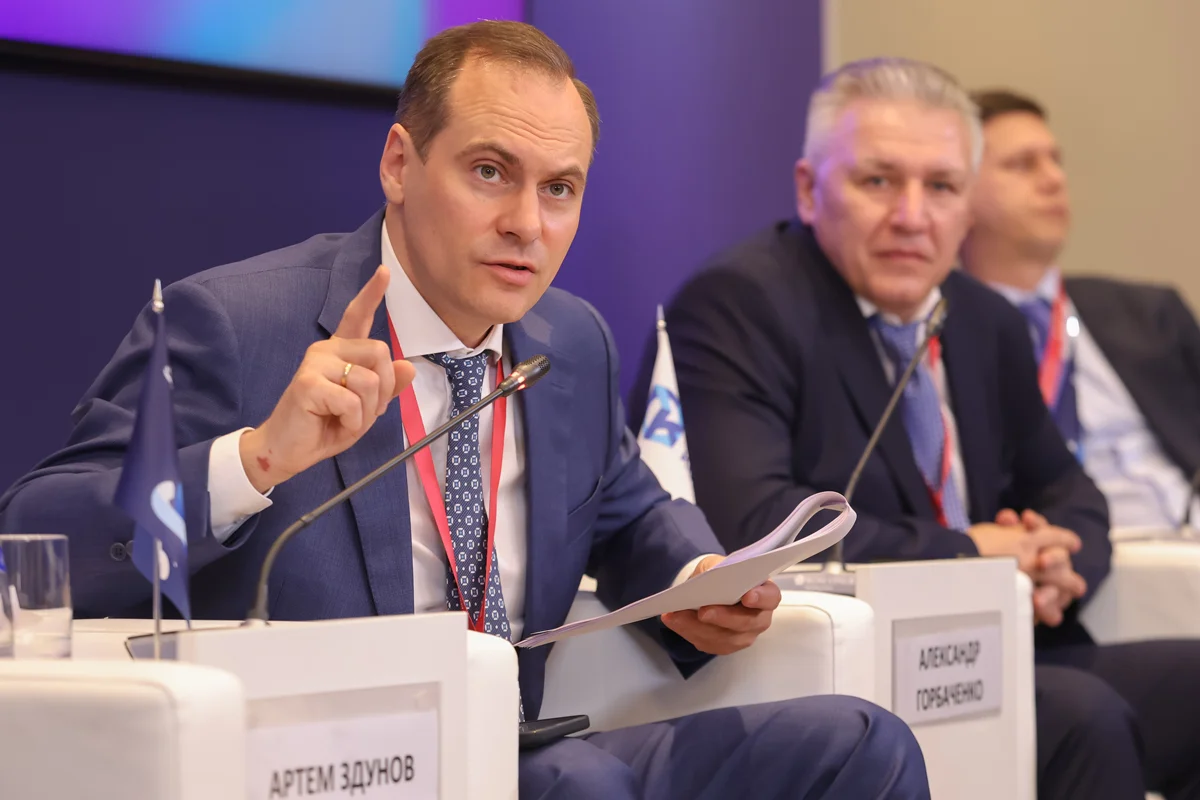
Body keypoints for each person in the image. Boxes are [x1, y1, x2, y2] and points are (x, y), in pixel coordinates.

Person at [0, 22, 930, 800]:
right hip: (341, 767)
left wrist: (698, 575)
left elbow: (628, 510)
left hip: (525, 749)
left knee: (860, 745)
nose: (528, 223)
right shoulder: (236, 324)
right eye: (491, 171)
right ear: (399, 164)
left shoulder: (571, 341)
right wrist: (255, 460)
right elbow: (37, 541)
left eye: (559, 188)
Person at [645, 57, 1200, 799]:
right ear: (809, 190)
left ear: (968, 206)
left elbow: (1071, 492)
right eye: (878, 181)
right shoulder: (739, 305)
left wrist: (1054, 565)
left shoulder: (981, 317)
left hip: (999, 644)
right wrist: (973, 553)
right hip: (848, 670)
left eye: (941, 187)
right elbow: (753, 523)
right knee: (1083, 717)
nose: (912, 216)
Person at [962, 88, 1200, 531]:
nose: (1054, 179)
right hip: (1074, 549)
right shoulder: (943, 334)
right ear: (958, 189)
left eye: (1056, 160)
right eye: (1022, 164)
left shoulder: (1150, 313)